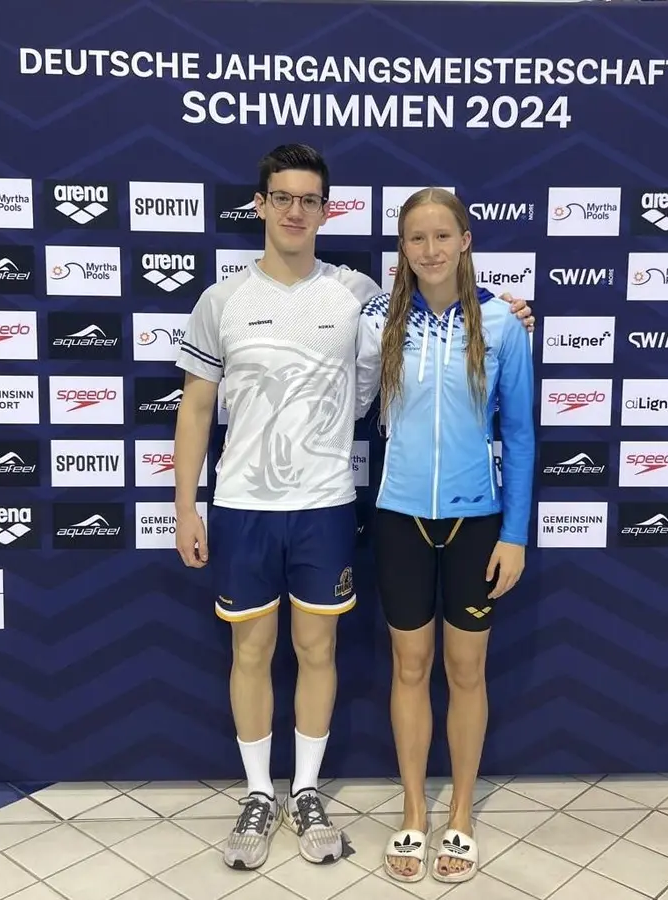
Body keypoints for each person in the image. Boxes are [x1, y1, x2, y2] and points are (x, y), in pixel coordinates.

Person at [170, 145, 534, 872]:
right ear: (262, 205)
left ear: (327, 209)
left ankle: (308, 791)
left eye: (310, 198)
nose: (296, 210)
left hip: (332, 503)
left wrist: (506, 311)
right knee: (253, 650)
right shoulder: (222, 300)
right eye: (283, 197)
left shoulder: (360, 297)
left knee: (320, 650)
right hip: (246, 504)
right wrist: (186, 506)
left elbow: (498, 402)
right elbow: (196, 405)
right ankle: (256, 795)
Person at [359, 188, 535, 884]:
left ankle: (459, 811)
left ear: (465, 240)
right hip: (399, 519)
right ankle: (412, 811)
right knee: (409, 668)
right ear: (401, 249)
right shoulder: (377, 321)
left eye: (441, 236)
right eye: (414, 239)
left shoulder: (502, 324)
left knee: (466, 672)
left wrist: (515, 534)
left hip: (476, 522)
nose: (429, 250)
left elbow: (519, 436)